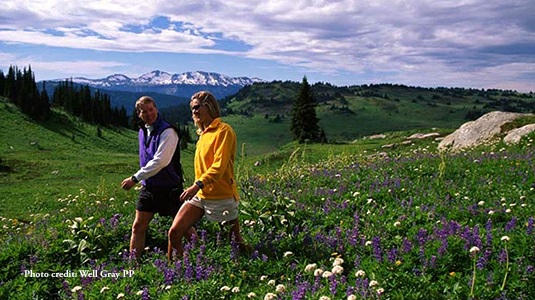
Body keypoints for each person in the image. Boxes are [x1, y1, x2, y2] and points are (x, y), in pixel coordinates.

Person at [167, 91, 247, 261]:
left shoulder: (224, 131)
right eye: (191, 109)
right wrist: (198, 188)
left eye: (196, 107)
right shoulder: (203, 134)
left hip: (221, 194)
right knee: (174, 232)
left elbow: (219, 166)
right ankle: (174, 270)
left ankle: (256, 263)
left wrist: (197, 185)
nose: (193, 112)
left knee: (235, 242)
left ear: (209, 106)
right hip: (201, 194)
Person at [121, 95, 191, 258]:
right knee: (138, 227)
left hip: (170, 188)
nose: (148, 114)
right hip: (150, 187)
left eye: (151, 109)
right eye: (143, 111)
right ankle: (133, 265)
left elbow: (161, 161)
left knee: (184, 227)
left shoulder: (168, 131)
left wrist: (134, 178)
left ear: (156, 109)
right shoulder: (142, 131)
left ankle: (201, 253)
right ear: (139, 114)